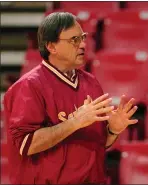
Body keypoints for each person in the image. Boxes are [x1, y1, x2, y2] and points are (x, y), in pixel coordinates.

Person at [3, 12, 138, 184]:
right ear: (52, 47)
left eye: (82, 37)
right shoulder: (29, 86)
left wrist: (112, 131)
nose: (82, 44)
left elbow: (96, 145)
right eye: (74, 40)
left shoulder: (91, 82)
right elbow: (26, 144)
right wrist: (74, 122)